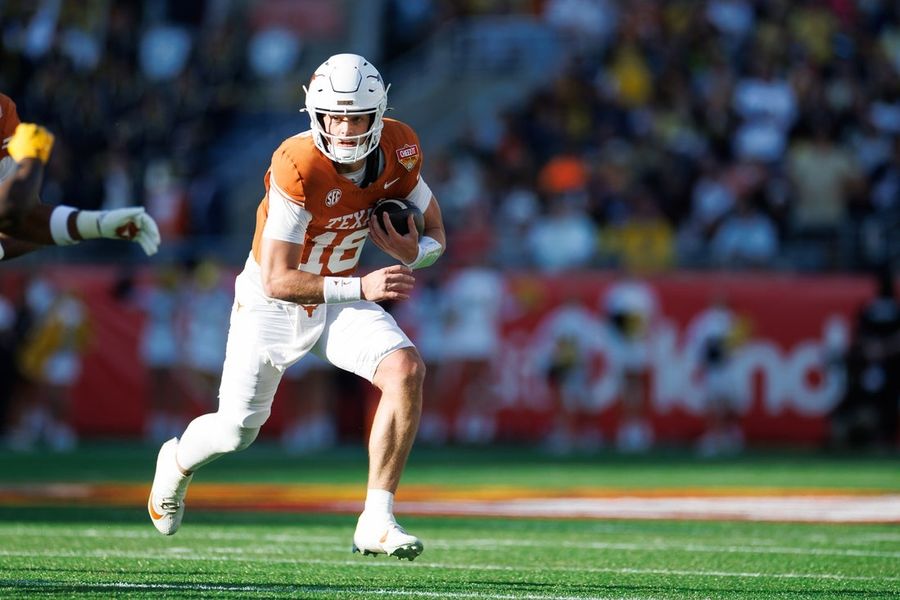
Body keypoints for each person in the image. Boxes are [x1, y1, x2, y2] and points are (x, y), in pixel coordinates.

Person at [147, 54, 446, 561]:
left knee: (405, 368)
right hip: (273, 302)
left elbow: (437, 235)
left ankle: (376, 519)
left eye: (356, 116)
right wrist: (361, 286)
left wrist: (411, 253)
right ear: (315, 113)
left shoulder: (401, 146)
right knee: (236, 429)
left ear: (379, 115)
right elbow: (279, 277)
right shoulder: (297, 162)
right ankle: (174, 463)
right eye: (333, 115)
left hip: (343, 297)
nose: (344, 127)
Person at [0, 93, 160, 260]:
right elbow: (13, 209)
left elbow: (25, 221)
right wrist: (31, 160)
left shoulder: (3, 110)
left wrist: (99, 224)